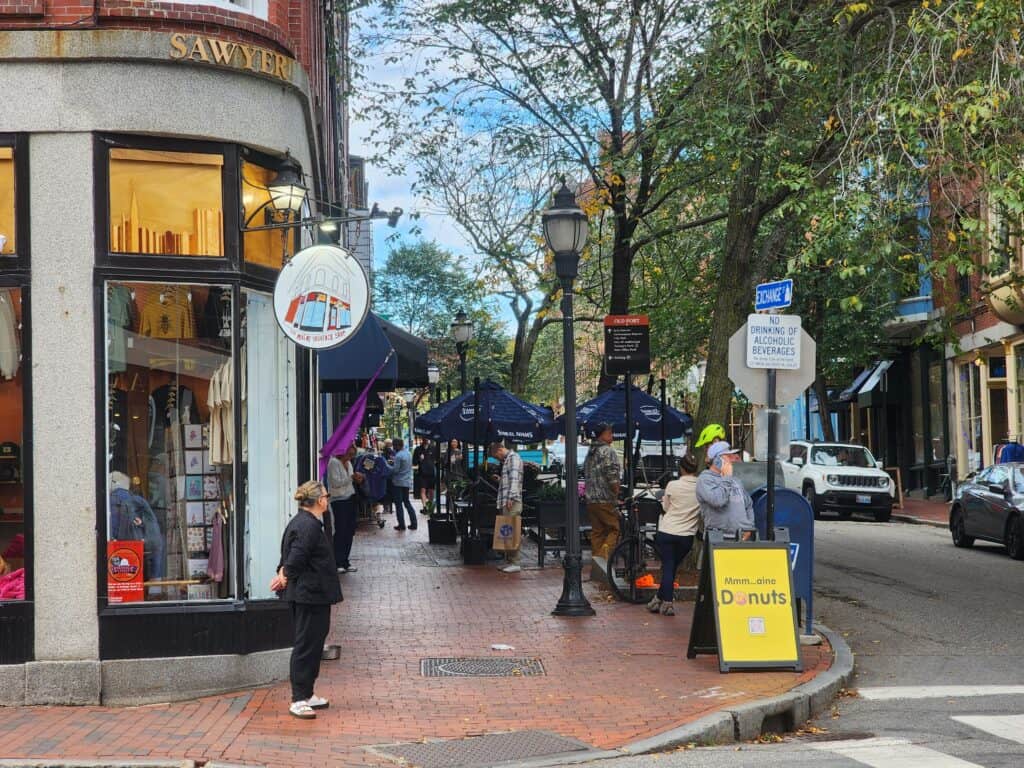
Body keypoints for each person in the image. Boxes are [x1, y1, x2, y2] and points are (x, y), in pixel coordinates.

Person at [270, 480, 343, 720]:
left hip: (313, 594)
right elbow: (296, 556)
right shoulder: (308, 526)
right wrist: (285, 575)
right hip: (309, 595)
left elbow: (291, 556)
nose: (328, 500)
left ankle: (307, 693)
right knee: (306, 645)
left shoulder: (305, 523)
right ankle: (298, 698)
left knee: (313, 643)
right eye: (326, 496)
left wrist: (283, 573)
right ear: (319, 500)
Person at [649, 454, 701, 616]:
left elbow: (665, 508)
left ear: (681, 468)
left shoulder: (672, 485)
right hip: (687, 535)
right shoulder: (701, 487)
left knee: (669, 567)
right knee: (671, 567)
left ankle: (667, 602)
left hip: (668, 531)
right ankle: (658, 599)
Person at [583, 422, 622, 572]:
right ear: (603, 435)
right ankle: (602, 559)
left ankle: (596, 564)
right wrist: (616, 492)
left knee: (597, 531)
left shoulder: (591, 451)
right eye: (610, 433)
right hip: (605, 498)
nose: (612, 436)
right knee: (614, 529)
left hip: (591, 498)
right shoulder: (607, 451)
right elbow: (612, 475)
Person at [696, 442, 754, 539]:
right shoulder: (704, 480)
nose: (732, 459)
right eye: (728, 456)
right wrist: (726, 477)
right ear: (717, 460)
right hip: (719, 539)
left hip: (741, 538)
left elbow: (749, 505)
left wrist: (749, 527)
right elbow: (718, 501)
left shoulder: (736, 480)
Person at [326, 443, 363, 574]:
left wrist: (357, 478)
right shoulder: (334, 463)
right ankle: (338, 561)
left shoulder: (349, 464)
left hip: (350, 497)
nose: (351, 457)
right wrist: (350, 478)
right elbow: (335, 483)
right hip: (339, 500)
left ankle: (345, 561)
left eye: (353, 455)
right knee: (341, 530)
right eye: (349, 454)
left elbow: (350, 481)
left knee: (349, 530)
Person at [490, 440, 524, 573]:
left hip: (511, 501)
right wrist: (500, 479)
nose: (497, 459)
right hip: (508, 500)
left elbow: (515, 479)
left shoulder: (513, 459)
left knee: (512, 530)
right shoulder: (509, 460)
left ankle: (515, 562)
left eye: (495, 456)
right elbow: (511, 479)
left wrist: (511, 497)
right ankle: (510, 561)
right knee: (508, 531)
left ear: (499, 450)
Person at [389, 438, 417, 531]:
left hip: (398, 483)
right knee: (407, 502)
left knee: (398, 504)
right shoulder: (408, 453)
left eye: (394, 445)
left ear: (397, 445)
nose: (393, 448)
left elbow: (395, 470)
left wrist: (389, 466)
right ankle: (414, 523)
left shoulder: (398, 456)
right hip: (406, 482)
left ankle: (401, 525)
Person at [419, 441, 437, 509]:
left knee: (431, 491)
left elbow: (437, 459)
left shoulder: (433, 448)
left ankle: (430, 505)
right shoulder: (418, 449)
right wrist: (420, 459)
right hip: (422, 473)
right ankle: (424, 506)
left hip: (431, 473)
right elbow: (414, 461)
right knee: (422, 490)